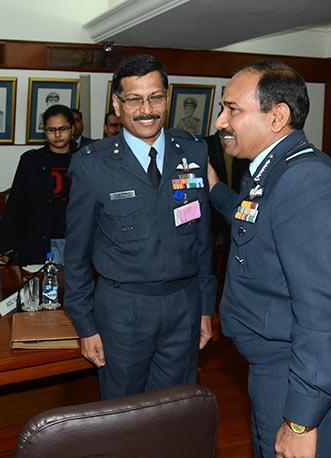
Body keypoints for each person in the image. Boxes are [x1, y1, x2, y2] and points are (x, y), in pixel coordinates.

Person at [207, 60, 331, 458]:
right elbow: (255, 219)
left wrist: (301, 421)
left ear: (277, 116)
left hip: (303, 380)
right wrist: (214, 189)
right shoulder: (272, 172)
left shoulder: (307, 182)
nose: (219, 122)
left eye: (232, 109)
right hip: (275, 372)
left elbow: (325, 317)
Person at [64, 54, 215, 400]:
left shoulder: (193, 150)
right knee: (124, 414)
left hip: (184, 305)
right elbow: (76, 256)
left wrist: (206, 307)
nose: (146, 109)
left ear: (167, 97)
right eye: (134, 99)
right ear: (117, 104)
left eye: (155, 97)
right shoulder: (92, 164)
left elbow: (203, 239)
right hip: (123, 309)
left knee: (176, 408)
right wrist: (85, 324)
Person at [0, 104, 76, 265]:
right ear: (45, 132)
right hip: (40, 243)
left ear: (73, 129)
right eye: (51, 130)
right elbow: (15, 206)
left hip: (78, 242)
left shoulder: (86, 160)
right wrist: (6, 247)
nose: (58, 134)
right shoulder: (31, 161)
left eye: (63, 129)